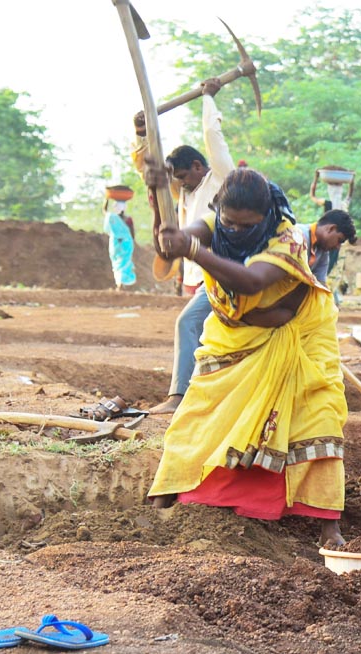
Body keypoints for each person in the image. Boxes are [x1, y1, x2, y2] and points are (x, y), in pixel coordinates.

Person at [145, 167, 348, 549]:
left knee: (318, 414)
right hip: (233, 334)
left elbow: (251, 281)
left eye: (246, 226)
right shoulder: (214, 223)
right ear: (220, 209)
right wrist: (159, 204)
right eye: (229, 223)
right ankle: (168, 493)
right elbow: (172, 244)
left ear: (266, 217)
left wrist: (192, 250)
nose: (235, 231)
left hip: (299, 334)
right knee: (199, 411)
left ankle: (328, 523)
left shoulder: (288, 240)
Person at [132, 77, 235, 415]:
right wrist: (141, 135)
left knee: (187, 324)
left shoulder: (222, 177)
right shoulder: (185, 193)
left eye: (184, 177)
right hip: (198, 277)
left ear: (197, 165)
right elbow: (150, 170)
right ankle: (208, 399)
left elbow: (213, 138)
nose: (180, 185)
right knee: (213, 340)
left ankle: (179, 397)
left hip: (225, 273)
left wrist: (208, 98)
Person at [295, 209, 356, 286]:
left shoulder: (323, 252)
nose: (338, 247)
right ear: (331, 229)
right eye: (339, 240)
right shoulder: (297, 236)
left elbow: (320, 285)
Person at [102, 196, 136, 291]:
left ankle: (119, 283)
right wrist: (131, 243)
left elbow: (104, 211)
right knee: (124, 263)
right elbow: (132, 233)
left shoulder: (111, 217)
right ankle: (122, 283)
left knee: (116, 264)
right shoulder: (128, 219)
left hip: (115, 244)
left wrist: (106, 199)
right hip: (126, 244)